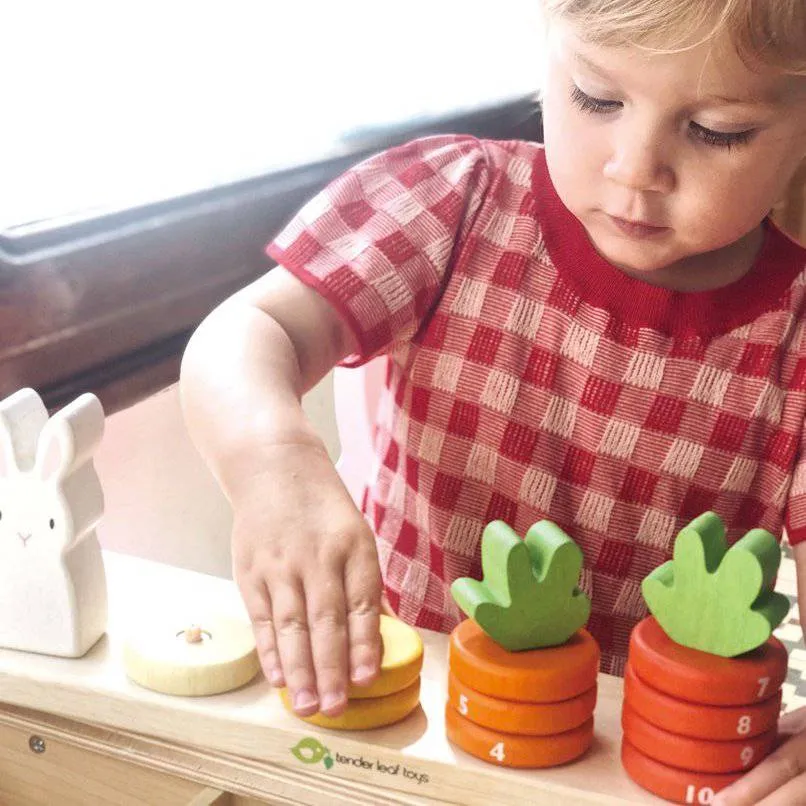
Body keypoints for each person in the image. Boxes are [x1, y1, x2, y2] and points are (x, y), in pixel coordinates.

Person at [180, 1, 806, 801]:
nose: (633, 166)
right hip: (396, 726)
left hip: (624, 774)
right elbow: (248, 330)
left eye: (717, 130)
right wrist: (273, 466)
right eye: (595, 98)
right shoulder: (455, 199)